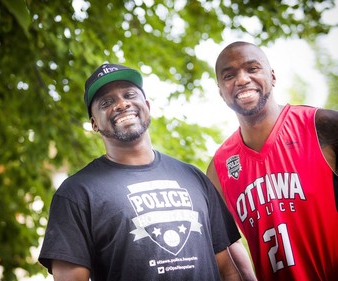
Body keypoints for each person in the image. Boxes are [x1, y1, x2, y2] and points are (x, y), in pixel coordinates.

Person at [38, 63, 256, 280]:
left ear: (147, 106)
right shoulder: (76, 193)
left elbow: (227, 270)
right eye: (107, 102)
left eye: (129, 94)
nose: (122, 104)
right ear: (94, 123)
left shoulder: (193, 177)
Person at [207, 41, 338, 280]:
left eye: (252, 68)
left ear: (273, 76)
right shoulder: (219, 168)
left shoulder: (323, 126)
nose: (242, 79)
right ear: (220, 91)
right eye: (229, 75)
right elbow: (222, 245)